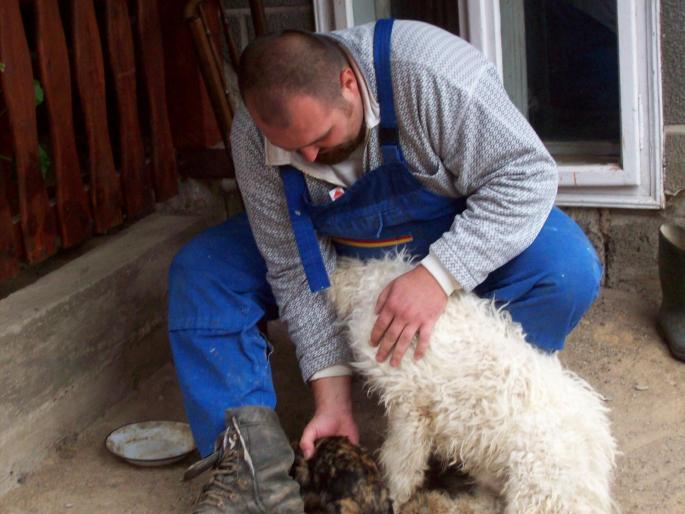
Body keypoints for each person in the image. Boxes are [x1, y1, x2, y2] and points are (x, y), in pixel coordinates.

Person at [168, 18, 602, 514]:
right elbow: (293, 267)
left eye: (322, 136)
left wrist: (440, 275)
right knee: (201, 274)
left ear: (349, 84)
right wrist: (332, 400)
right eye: (293, 150)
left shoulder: (432, 72)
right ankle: (252, 466)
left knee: (566, 271)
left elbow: (527, 177)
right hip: (335, 249)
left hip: (445, 235)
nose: (308, 156)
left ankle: (461, 431)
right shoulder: (254, 134)